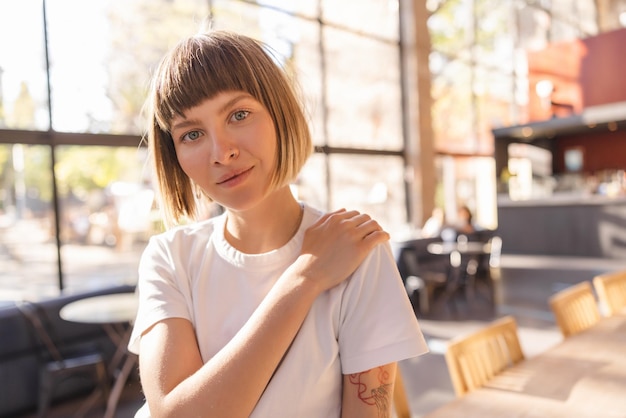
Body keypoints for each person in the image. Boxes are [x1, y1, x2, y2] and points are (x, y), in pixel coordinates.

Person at [128, 30, 428, 418]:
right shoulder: (169, 257)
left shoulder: (357, 249)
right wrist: (304, 278)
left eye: (239, 115)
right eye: (193, 134)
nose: (222, 152)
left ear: (279, 114)